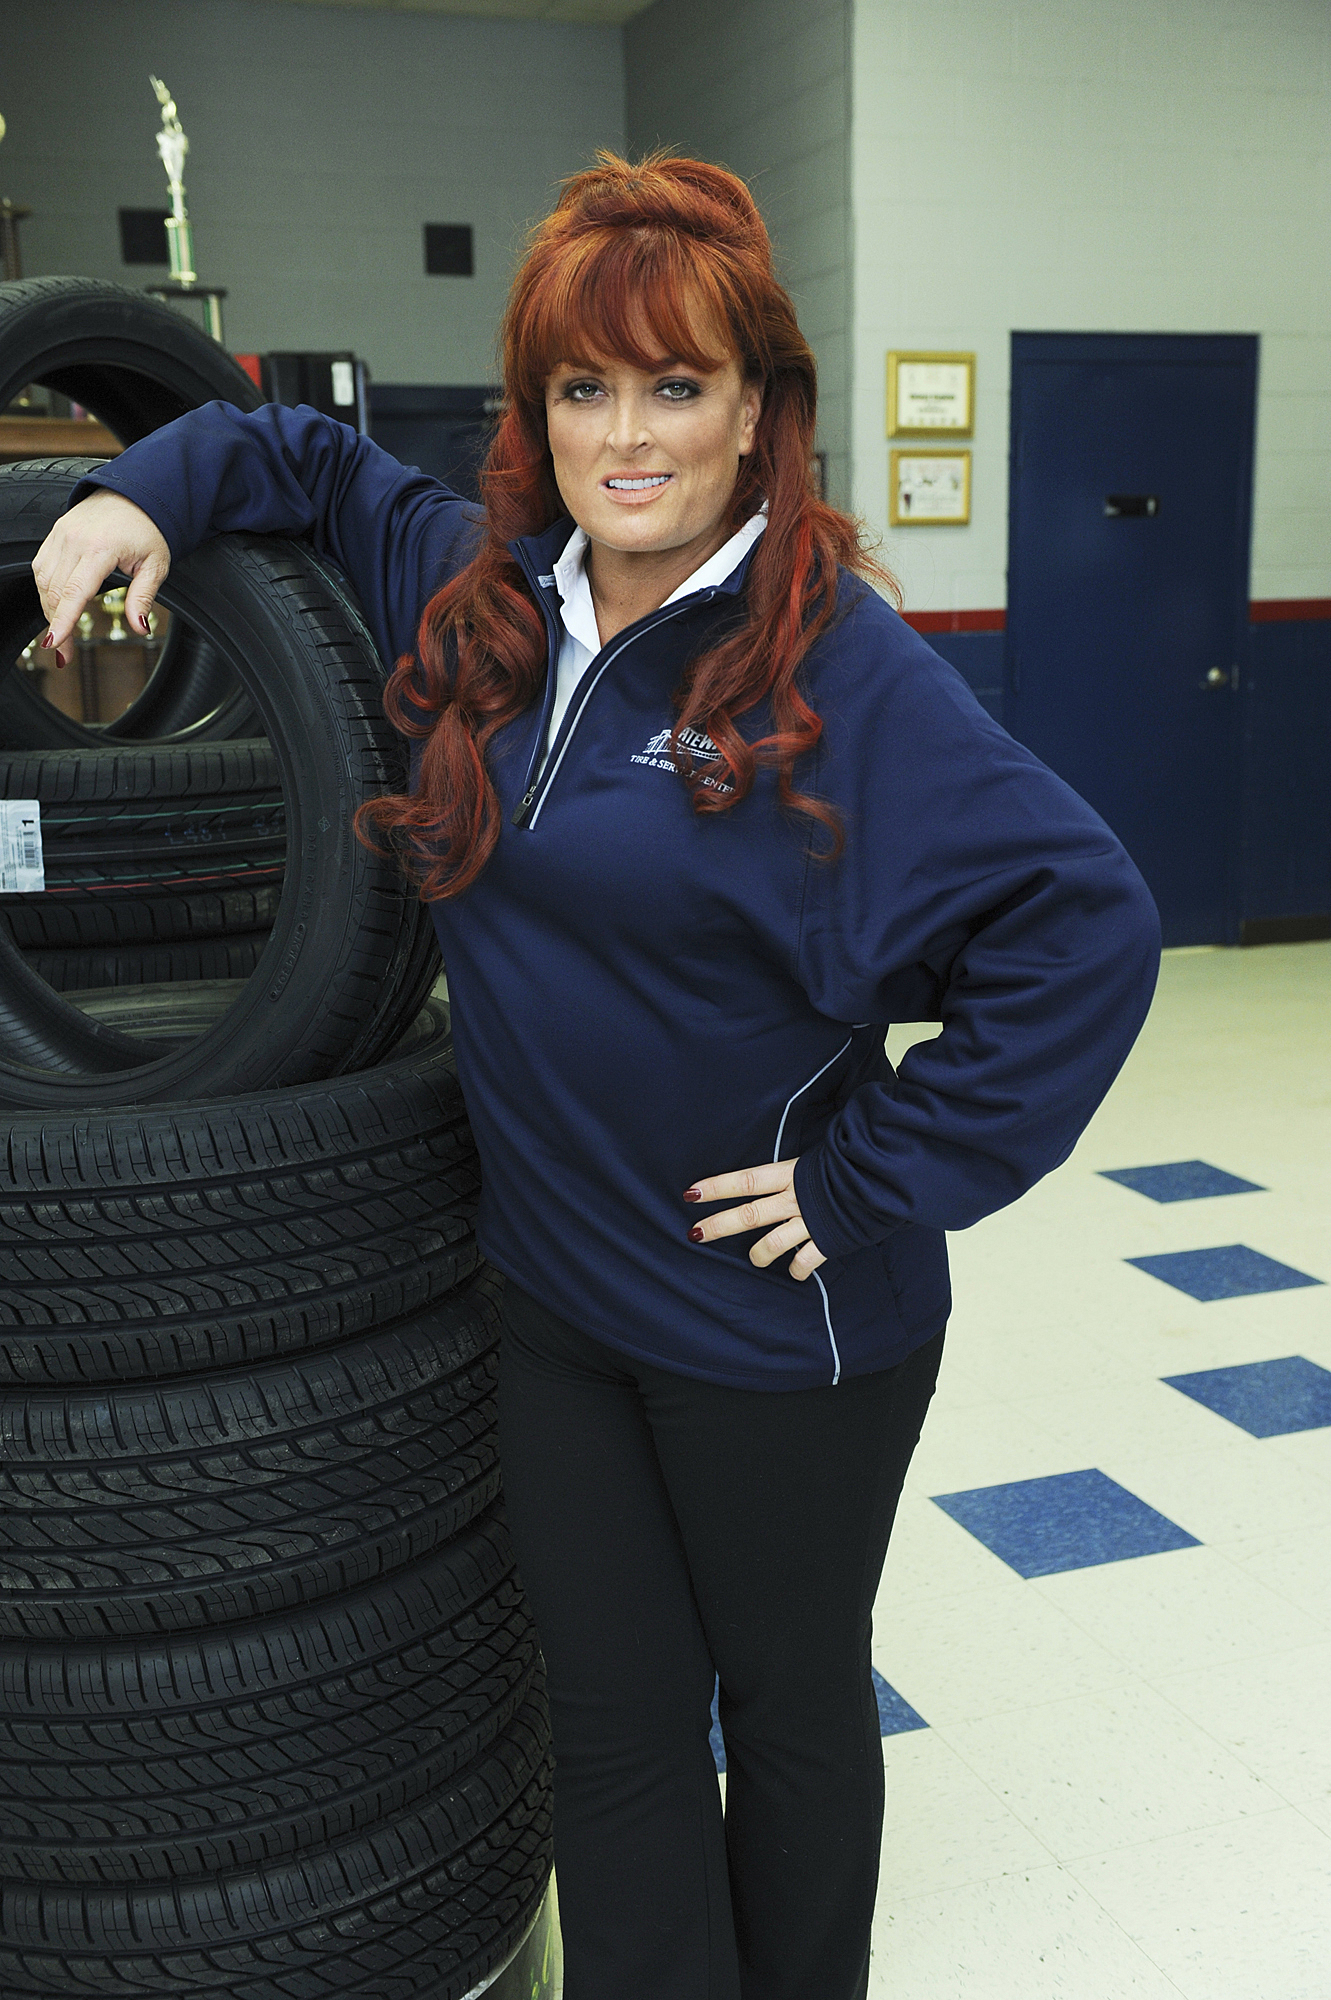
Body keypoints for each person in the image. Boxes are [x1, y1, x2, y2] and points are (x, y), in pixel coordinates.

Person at [34, 153, 1160, 2000]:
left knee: (790, 1716)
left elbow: (1089, 932)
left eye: (677, 387)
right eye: (583, 390)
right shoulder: (480, 601)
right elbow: (307, 464)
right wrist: (129, 497)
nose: (627, 440)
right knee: (620, 1726)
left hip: (776, 1330)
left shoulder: (840, 678)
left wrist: (870, 1177)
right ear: (536, 411)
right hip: (559, 1306)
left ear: (757, 413)